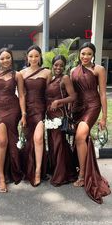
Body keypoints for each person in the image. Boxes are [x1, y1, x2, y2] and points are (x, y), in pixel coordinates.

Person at [70, 42, 111, 203]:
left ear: (93, 55)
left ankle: (83, 175)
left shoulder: (99, 69)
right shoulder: (73, 71)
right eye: (83, 54)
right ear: (79, 54)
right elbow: (71, 92)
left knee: (80, 137)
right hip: (77, 107)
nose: (85, 57)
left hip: (93, 106)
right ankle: (85, 168)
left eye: (88, 54)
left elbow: (102, 94)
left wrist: (103, 117)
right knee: (82, 139)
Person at [0, 47, 26, 193]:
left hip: (13, 109)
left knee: (9, 140)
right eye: (2, 58)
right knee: (1, 140)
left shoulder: (17, 75)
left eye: (8, 57)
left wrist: (23, 114)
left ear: (12, 58)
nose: (5, 60)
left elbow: (22, 95)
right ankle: (1, 176)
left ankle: (8, 172)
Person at [20, 45, 51, 187]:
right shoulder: (21, 73)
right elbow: (21, 95)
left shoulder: (46, 73)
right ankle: (28, 167)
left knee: (38, 139)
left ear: (40, 57)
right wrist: (23, 114)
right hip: (27, 109)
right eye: (31, 56)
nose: (33, 58)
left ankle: (38, 171)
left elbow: (49, 94)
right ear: (27, 57)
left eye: (36, 56)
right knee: (28, 141)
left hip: (40, 109)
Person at [45, 55, 77, 186]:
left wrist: (58, 101)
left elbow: (73, 96)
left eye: (61, 65)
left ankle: (61, 175)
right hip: (49, 116)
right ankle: (58, 169)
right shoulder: (51, 78)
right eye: (56, 65)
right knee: (53, 143)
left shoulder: (65, 78)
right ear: (52, 65)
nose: (58, 67)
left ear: (64, 67)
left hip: (59, 115)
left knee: (58, 143)